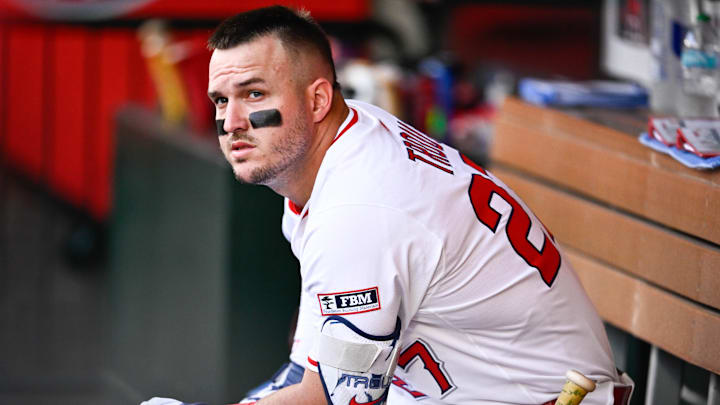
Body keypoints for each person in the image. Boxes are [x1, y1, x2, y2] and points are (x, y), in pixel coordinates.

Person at [145, 5, 633, 405]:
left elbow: (343, 400)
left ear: (317, 101)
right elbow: (309, 373)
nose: (231, 121)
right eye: (218, 101)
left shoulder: (358, 208)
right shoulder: (336, 152)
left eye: (253, 95)